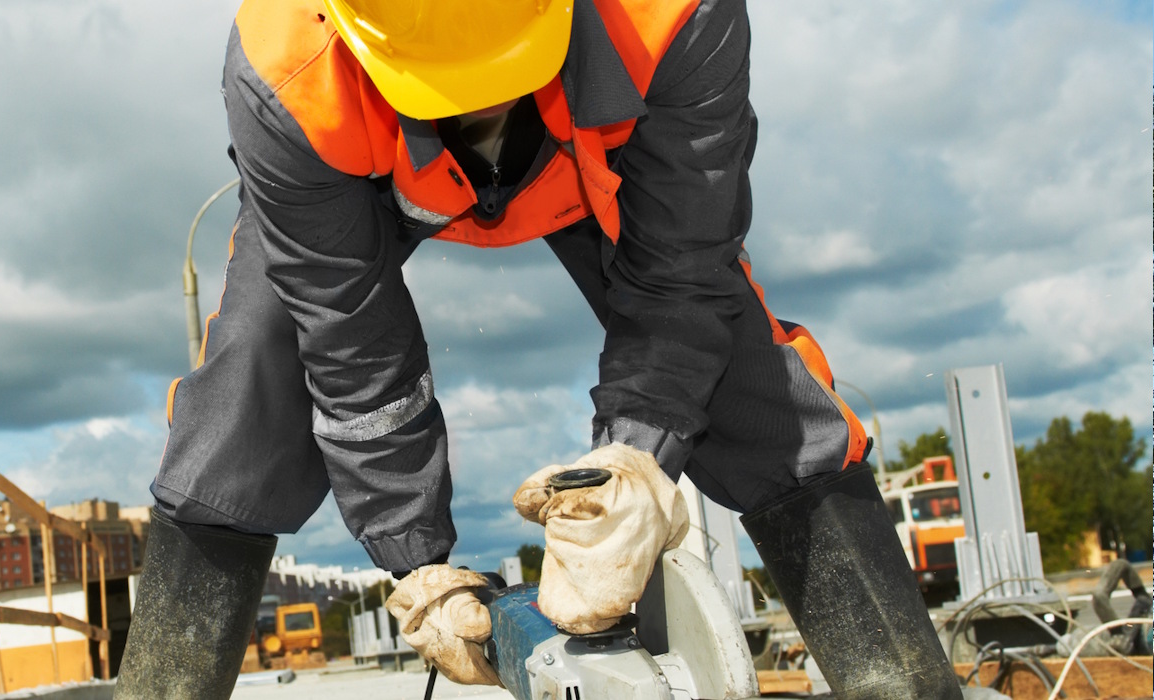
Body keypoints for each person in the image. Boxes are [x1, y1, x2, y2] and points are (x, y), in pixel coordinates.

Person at [115, 1, 965, 698]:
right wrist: (417, 564)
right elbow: (352, 350)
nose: (475, 113)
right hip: (361, 179)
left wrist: (633, 467)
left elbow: (681, 278)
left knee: (745, 375)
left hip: (601, 160)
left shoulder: (672, 16)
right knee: (256, 372)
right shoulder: (285, 69)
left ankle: (896, 680)